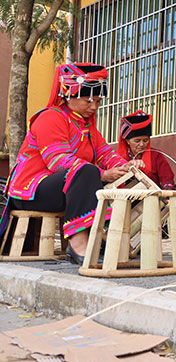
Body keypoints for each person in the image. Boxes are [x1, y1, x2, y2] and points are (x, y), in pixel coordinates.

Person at [1, 63, 141, 264]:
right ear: (68, 95)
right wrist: (102, 174)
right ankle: (78, 243)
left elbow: (104, 153)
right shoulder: (50, 117)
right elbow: (58, 161)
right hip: (32, 190)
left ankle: (110, 235)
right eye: (88, 100)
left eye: (98, 101)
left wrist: (126, 166)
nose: (94, 107)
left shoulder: (86, 126)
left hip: (65, 187)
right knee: (86, 171)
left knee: (97, 174)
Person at [117, 111, 176, 222]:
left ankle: (167, 220)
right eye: (137, 141)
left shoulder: (156, 155)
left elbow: (167, 179)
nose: (142, 144)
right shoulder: (117, 158)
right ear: (127, 141)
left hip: (157, 198)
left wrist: (164, 193)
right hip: (131, 200)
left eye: (145, 140)